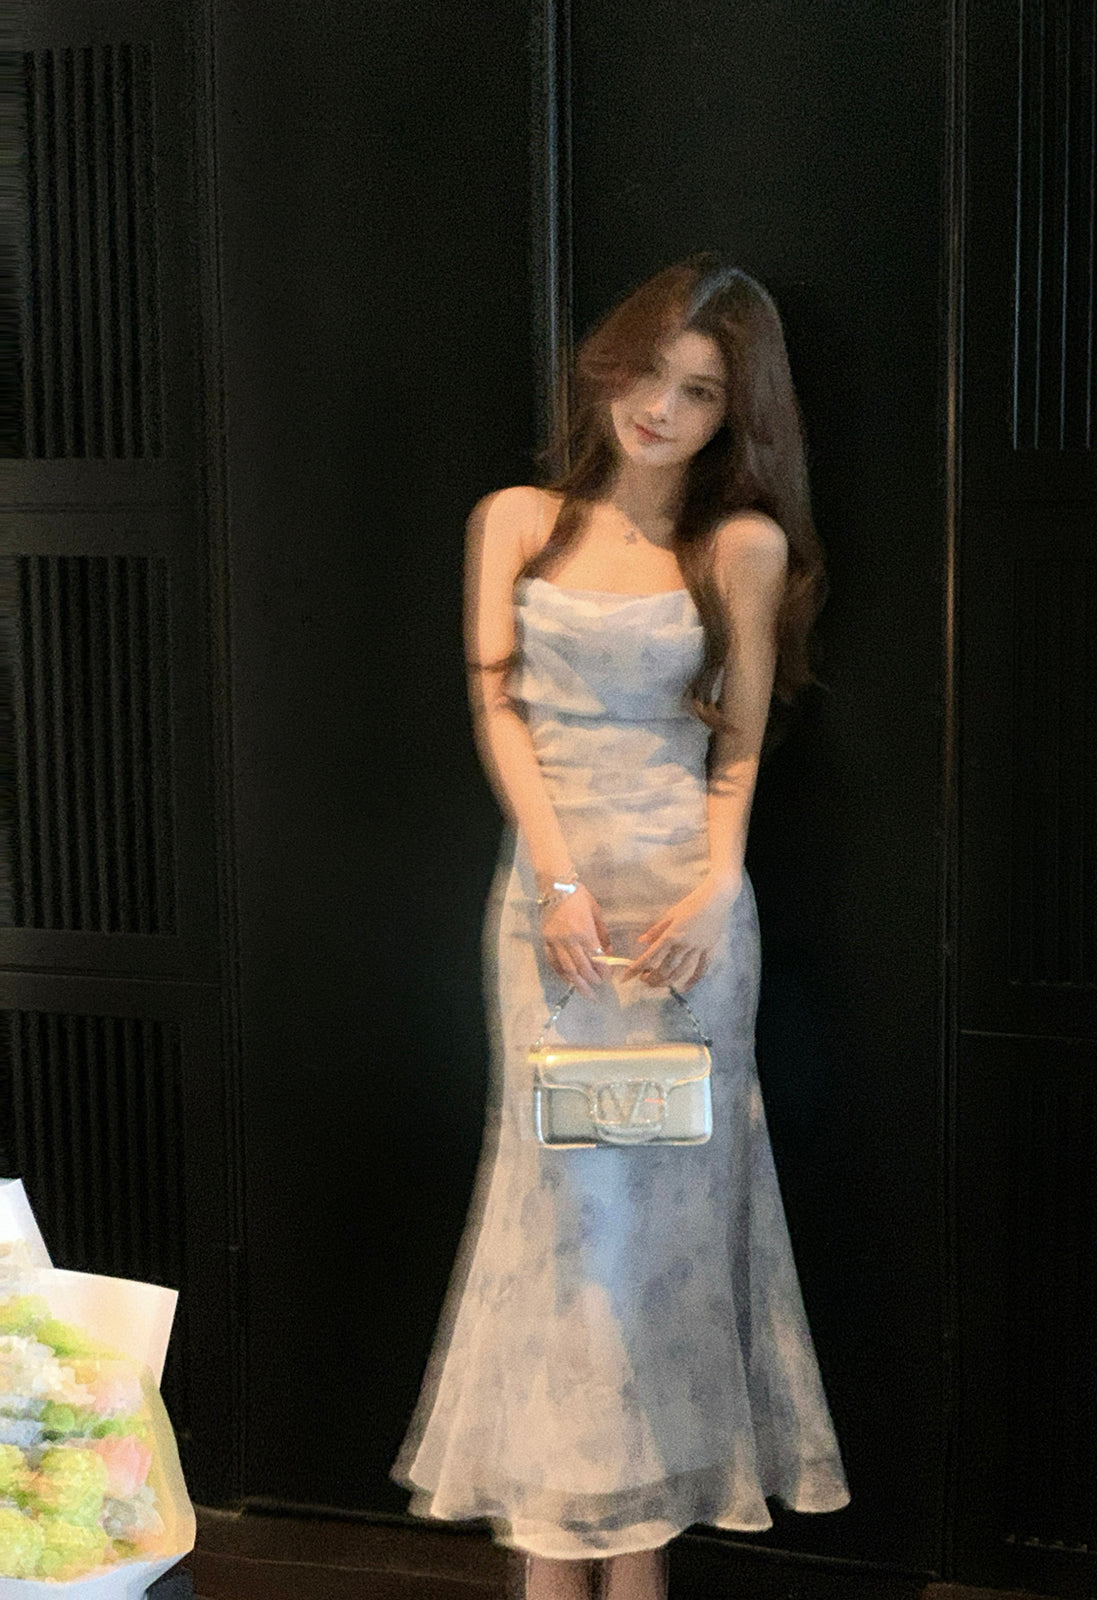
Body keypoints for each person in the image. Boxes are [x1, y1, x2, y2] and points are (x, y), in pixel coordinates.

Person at [391, 254, 849, 1600]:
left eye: (699, 392)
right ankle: (558, 1555)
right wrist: (558, 882)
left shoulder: (739, 546)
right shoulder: (516, 520)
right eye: (648, 373)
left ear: (735, 415)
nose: (661, 409)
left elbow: (740, 748)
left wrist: (713, 887)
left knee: (663, 1235)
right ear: (606, 369)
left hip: (686, 933)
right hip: (554, 923)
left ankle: (634, 1554)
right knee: (561, 1231)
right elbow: (498, 705)